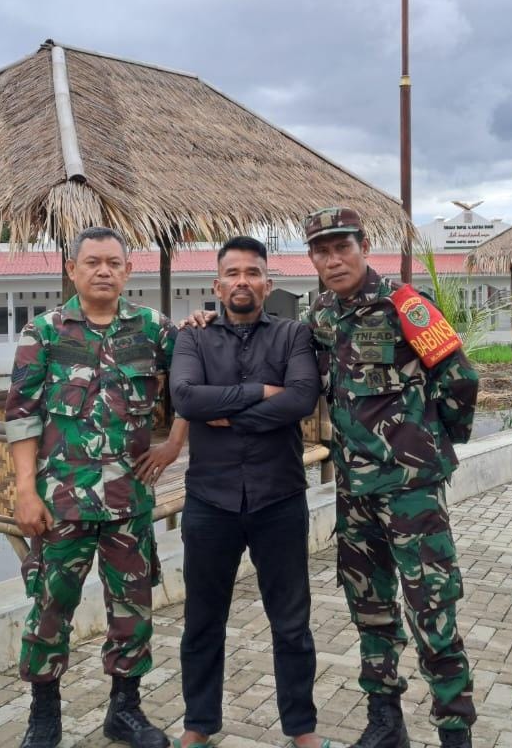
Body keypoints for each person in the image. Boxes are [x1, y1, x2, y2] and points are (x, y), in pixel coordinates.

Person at [304, 207, 478, 748]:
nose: (334, 260)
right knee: (370, 608)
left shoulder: (406, 305)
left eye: (343, 247)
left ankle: (454, 732)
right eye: (322, 251)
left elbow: (460, 379)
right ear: (312, 258)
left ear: (363, 246)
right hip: (354, 492)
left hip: (410, 493)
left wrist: (429, 443)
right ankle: (386, 721)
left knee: (432, 609)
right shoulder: (321, 315)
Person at [4, 227, 179, 748]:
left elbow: (194, 385)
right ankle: (44, 716)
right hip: (61, 503)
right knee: (49, 608)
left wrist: (174, 446)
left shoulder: (154, 329)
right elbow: (21, 416)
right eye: (92, 262)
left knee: (133, 611)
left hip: (129, 501)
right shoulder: (44, 332)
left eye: (113, 263)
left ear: (128, 270)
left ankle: (125, 711)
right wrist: (25, 490)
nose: (103, 271)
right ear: (72, 269)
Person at [169, 236, 330, 748]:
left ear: (268, 283)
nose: (243, 281)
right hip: (209, 501)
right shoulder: (193, 338)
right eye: (233, 273)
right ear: (217, 285)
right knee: (202, 620)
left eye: (252, 273)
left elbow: (301, 399)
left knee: (291, 622)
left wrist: (227, 415)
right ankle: (198, 724)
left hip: (278, 497)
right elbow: (185, 398)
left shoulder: (293, 335)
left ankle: (301, 729)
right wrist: (260, 392)